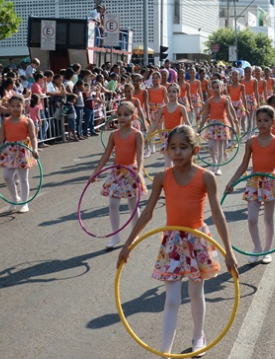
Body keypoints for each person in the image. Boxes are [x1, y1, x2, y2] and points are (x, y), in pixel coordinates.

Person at [117, 125, 238, 358]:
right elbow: (148, 212)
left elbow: (218, 214)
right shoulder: (162, 178)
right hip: (172, 242)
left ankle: (198, 336)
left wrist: (229, 252)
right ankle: (165, 350)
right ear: (167, 150)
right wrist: (128, 243)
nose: (177, 152)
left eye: (183, 147)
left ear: (195, 150)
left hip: (197, 240)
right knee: (172, 299)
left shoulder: (206, 177)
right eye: (173, 147)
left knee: (194, 293)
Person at [225, 106, 275, 264]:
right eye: (259, 120)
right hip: (254, 181)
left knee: (268, 219)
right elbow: (244, 164)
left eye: (266, 120)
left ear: (273, 122)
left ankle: (267, 250)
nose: (262, 124)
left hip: (270, 182)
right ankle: (257, 248)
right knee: (252, 218)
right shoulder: (251, 142)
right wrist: (231, 182)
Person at [90, 101, 145, 250]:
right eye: (119, 114)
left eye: (126, 114)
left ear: (134, 116)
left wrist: (138, 172)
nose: (122, 117)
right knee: (113, 203)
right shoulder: (114, 135)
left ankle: (135, 234)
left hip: (131, 172)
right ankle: (115, 236)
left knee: (132, 204)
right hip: (117, 172)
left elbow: (140, 156)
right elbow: (106, 155)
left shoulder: (137, 134)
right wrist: (96, 172)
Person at [0, 95, 39, 213]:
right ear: (8, 107)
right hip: (9, 151)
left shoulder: (27, 121)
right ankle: (15, 198)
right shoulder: (6, 121)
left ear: (23, 106)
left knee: (23, 178)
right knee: (6, 176)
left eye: (18, 106)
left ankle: (25, 202)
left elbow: (33, 137)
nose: (15, 108)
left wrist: (35, 149)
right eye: (12, 106)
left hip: (23, 150)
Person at [198, 80, 238, 176]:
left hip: (222, 124)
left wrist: (233, 127)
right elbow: (206, 114)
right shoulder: (209, 100)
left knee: (220, 147)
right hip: (212, 124)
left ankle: (218, 166)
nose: (215, 89)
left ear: (222, 88)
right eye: (214, 87)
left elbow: (228, 113)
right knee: (211, 146)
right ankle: (214, 161)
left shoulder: (225, 100)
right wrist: (199, 128)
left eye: (218, 87)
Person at [149, 84, 191, 168]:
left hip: (178, 135)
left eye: (174, 91)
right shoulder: (163, 108)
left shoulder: (181, 108)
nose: (171, 93)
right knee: (167, 163)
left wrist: (192, 134)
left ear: (178, 94)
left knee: (179, 161)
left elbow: (187, 124)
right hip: (167, 136)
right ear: (167, 93)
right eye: (169, 91)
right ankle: (169, 179)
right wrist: (148, 136)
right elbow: (155, 124)